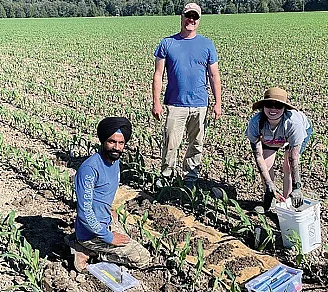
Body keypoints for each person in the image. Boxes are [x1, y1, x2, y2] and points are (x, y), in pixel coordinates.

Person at [64, 117, 150, 272]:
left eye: (121, 143)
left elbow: (102, 194)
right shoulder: (90, 169)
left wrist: (108, 209)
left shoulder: (114, 161)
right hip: (91, 232)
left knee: (129, 241)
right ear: (103, 141)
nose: (116, 147)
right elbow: (84, 212)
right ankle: (87, 249)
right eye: (112, 142)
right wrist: (109, 238)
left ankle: (86, 244)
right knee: (142, 258)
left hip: (106, 220)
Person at [152, 2, 222, 188]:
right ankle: (166, 174)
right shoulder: (167, 43)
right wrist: (156, 102)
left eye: (195, 17)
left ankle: (190, 177)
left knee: (196, 143)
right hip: (175, 103)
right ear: (181, 17)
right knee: (170, 142)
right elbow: (158, 74)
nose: (191, 20)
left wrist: (218, 103)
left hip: (200, 103)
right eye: (188, 16)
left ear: (199, 20)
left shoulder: (207, 44)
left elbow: (214, 75)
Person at [246, 87, 312, 212]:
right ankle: (270, 199)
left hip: (292, 134)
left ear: (285, 108)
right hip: (271, 136)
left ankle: (287, 204)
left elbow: (294, 158)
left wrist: (297, 187)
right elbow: (258, 156)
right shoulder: (256, 123)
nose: (273, 109)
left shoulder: (294, 124)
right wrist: (268, 183)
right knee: (266, 164)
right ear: (263, 106)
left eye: (278, 106)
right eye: (269, 105)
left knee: (287, 165)